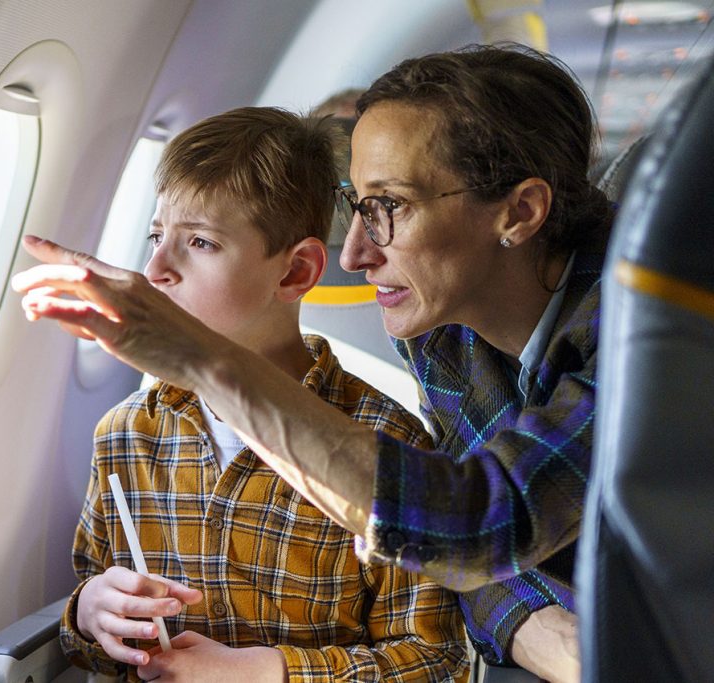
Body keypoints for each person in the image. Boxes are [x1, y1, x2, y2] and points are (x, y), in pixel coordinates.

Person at [15, 44, 610, 683]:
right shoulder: (445, 333)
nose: (353, 255)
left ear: (518, 213)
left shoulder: (642, 353)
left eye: (390, 207)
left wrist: (197, 355)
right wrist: (526, 622)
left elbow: (475, 529)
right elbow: (455, 546)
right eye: (358, 206)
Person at [57, 107, 469, 682]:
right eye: (157, 236)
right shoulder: (126, 436)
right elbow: (88, 629)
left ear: (296, 272)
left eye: (199, 241)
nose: (156, 270)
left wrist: (262, 672)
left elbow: (433, 660)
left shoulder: (388, 446)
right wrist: (90, 612)